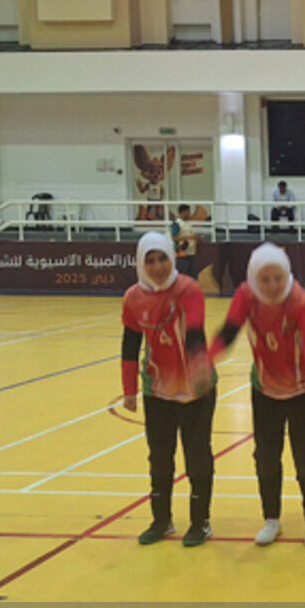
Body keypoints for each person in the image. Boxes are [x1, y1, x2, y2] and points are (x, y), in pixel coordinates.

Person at [208, 243, 305, 548]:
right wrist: (206, 359)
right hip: (265, 389)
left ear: (287, 274)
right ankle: (271, 519)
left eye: (278, 278)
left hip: (302, 392)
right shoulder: (245, 296)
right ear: (254, 277)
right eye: (265, 279)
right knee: (265, 458)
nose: (273, 285)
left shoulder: (302, 302)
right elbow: (229, 331)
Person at [120, 232, 216, 547]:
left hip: (195, 387)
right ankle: (161, 520)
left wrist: (198, 374)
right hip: (157, 390)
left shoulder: (189, 289)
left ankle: (200, 522)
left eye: (162, 259)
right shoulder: (133, 298)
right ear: (141, 263)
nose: (157, 267)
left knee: (197, 456)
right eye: (150, 261)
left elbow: (195, 333)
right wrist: (129, 389)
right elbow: (130, 345)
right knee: (160, 458)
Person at [172, 205, 200, 280]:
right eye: (188, 212)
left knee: (192, 276)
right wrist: (189, 237)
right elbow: (174, 238)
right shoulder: (177, 223)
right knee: (183, 277)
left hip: (191, 253)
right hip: (182, 254)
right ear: (182, 212)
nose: (189, 214)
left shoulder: (188, 224)